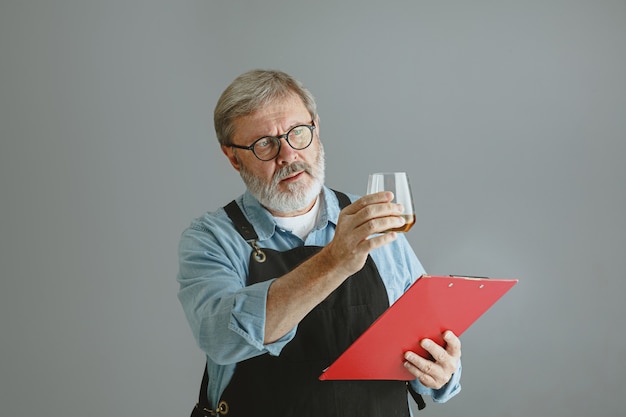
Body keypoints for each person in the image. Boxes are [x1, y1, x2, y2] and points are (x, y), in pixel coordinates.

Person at [177, 69, 462, 417]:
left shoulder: (372, 221)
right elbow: (221, 339)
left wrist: (441, 372)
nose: (287, 154)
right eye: (264, 143)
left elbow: (423, 343)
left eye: (297, 133)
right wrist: (334, 261)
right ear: (233, 157)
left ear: (316, 130)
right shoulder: (211, 239)